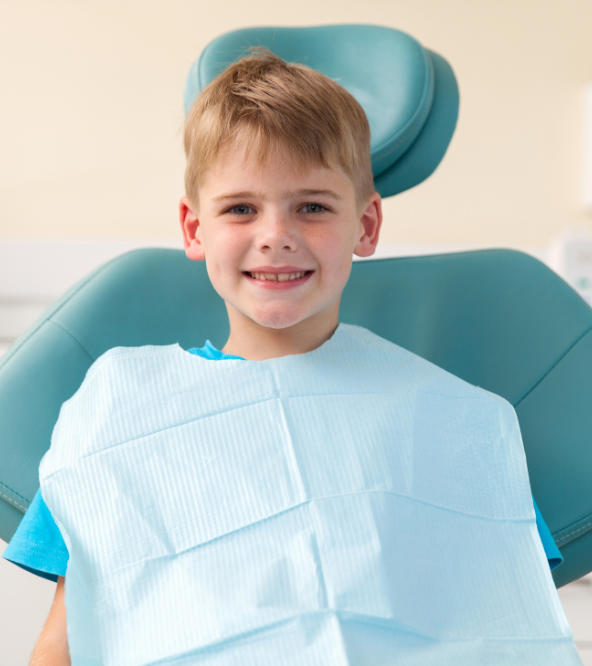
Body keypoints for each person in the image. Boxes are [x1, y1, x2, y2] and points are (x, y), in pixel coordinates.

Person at [3, 48, 575, 665]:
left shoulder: (454, 424)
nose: (275, 234)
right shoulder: (122, 415)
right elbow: (66, 637)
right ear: (195, 229)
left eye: (313, 206)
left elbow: (509, 625)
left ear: (366, 224)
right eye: (241, 208)